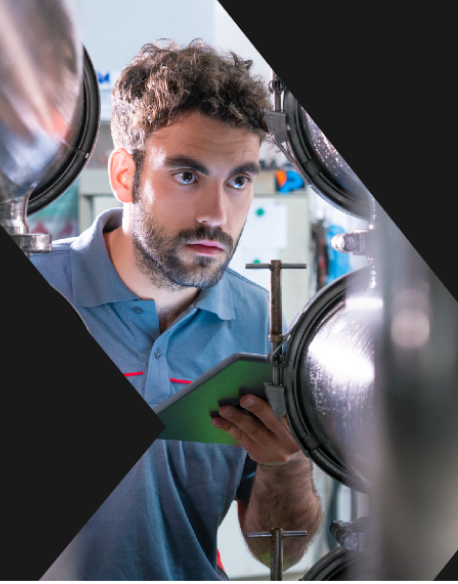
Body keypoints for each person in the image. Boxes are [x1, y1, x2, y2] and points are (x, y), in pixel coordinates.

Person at [32, 40, 322, 581]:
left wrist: (287, 467)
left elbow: (276, 551)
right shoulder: (45, 284)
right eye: (187, 176)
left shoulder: (261, 323)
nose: (217, 215)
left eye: (238, 180)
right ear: (125, 176)